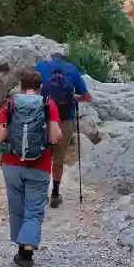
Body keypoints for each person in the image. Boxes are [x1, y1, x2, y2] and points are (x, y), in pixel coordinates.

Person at [0, 69, 62, 267]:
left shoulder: (11, 104)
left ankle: (20, 248)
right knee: (34, 211)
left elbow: (1, 135)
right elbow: (53, 137)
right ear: (40, 87)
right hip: (39, 166)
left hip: (12, 166)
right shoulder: (47, 104)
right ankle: (25, 256)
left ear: (21, 86)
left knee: (17, 210)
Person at [35, 52, 91, 208]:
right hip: (65, 120)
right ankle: (55, 194)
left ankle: (40, 194)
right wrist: (73, 98)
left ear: (52, 59)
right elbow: (87, 97)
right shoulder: (72, 70)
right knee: (58, 160)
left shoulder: (41, 67)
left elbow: (32, 91)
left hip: (44, 119)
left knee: (43, 156)